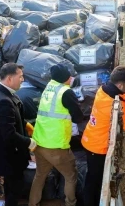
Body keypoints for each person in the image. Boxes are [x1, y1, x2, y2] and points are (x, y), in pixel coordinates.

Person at [81, 66, 125, 206]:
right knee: (94, 180)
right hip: (97, 147)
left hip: (90, 139)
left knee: (92, 176)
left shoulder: (104, 90)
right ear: (120, 85)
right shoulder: (116, 103)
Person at [29, 64, 84, 206]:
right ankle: (71, 203)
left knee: (40, 176)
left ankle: (32, 204)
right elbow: (78, 117)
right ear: (65, 78)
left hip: (39, 142)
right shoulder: (66, 92)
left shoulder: (49, 87)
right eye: (69, 76)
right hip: (56, 146)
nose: (71, 78)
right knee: (70, 176)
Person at [0, 63, 36, 206]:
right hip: (9, 156)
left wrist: (25, 124)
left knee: (13, 186)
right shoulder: (3, 100)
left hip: (10, 154)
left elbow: (13, 118)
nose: (22, 79)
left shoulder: (5, 94)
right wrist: (29, 142)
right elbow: (9, 134)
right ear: (9, 78)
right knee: (14, 188)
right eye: (20, 76)